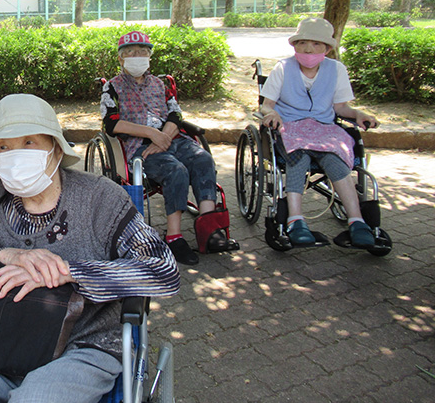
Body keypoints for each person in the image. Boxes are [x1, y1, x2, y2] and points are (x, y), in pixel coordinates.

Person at [0, 94, 179, 403]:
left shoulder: (99, 198)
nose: (15, 156)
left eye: (29, 142)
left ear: (56, 149)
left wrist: (70, 272)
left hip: (80, 346)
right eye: (3, 147)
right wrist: (3, 255)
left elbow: (163, 270)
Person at [100, 30, 233, 266]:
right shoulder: (112, 87)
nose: (137, 56)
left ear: (150, 56)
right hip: (138, 147)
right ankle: (174, 237)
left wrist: (164, 136)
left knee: (202, 159)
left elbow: (175, 114)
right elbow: (111, 123)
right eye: (131, 52)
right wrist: (152, 135)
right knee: (176, 170)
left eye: (143, 52)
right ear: (121, 58)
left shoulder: (160, 84)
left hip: (171, 138)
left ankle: (209, 227)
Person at [260, 17, 379, 248]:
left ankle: (357, 220)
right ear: (294, 45)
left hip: (324, 130)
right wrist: (271, 114)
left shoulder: (336, 70)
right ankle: (296, 220)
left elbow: (341, 108)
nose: (308, 49)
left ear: (327, 48)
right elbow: (266, 104)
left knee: (335, 159)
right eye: (303, 42)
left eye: (316, 44)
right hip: (291, 127)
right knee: (298, 158)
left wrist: (358, 114)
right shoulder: (283, 68)